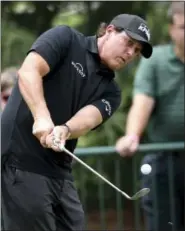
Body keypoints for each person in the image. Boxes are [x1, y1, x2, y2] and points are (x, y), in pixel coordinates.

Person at [1, 14, 152, 231]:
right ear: (109, 31)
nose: (130, 53)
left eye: (137, 51)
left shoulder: (111, 92)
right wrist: (41, 117)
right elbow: (29, 71)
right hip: (20, 159)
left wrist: (65, 129)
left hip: (59, 170)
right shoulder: (66, 38)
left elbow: (88, 118)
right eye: (129, 43)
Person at [116, 2, 184, 231]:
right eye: (183, 27)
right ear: (172, 29)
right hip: (164, 159)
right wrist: (132, 136)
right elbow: (142, 102)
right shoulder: (155, 61)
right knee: (163, 224)